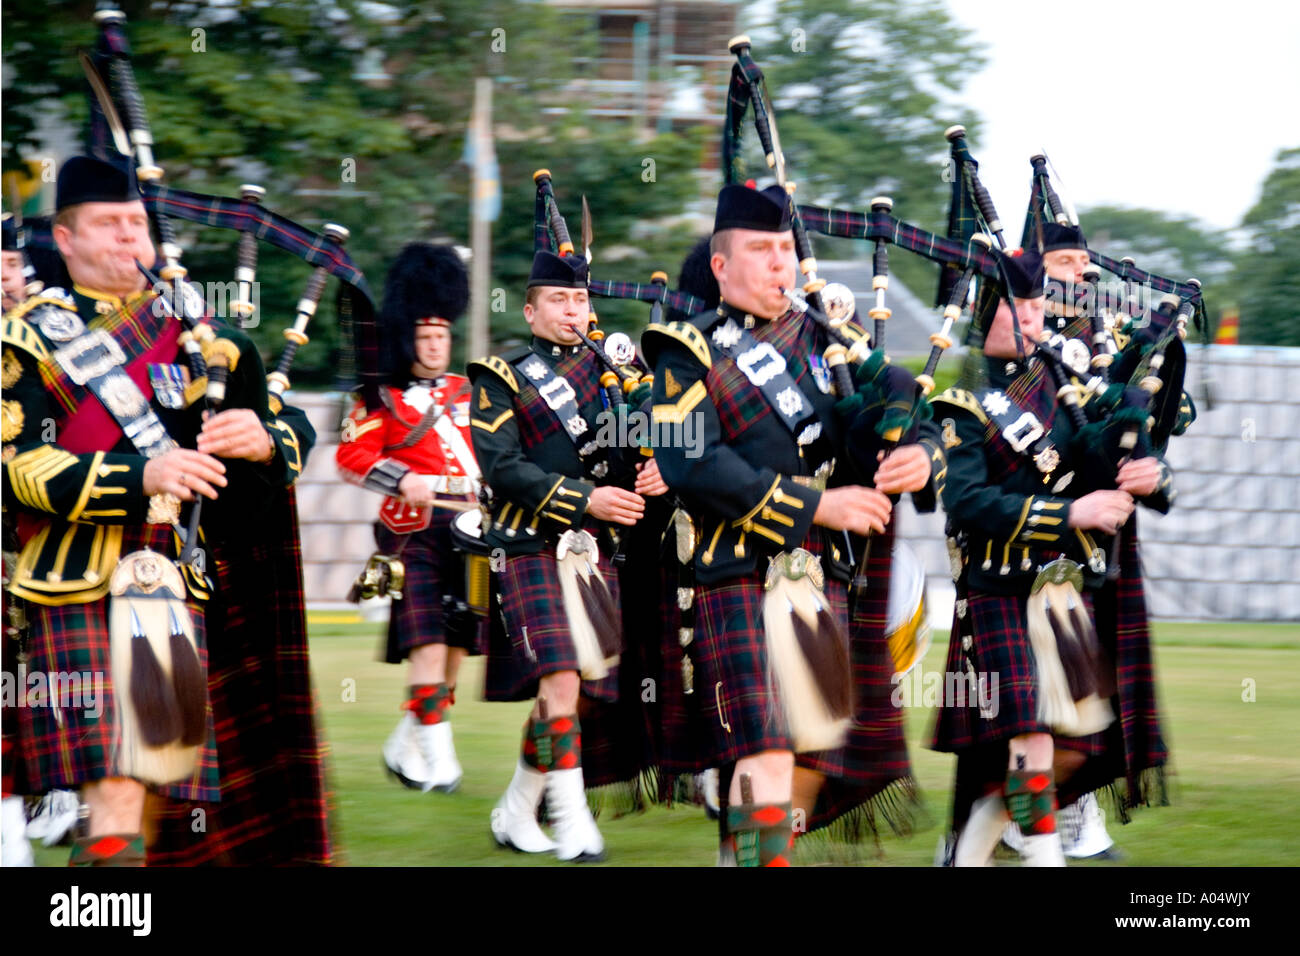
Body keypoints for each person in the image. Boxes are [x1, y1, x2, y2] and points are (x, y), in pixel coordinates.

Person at [1, 155, 304, 865]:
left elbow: (287, 428)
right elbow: (16, 466)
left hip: (169, 579)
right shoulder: (26, 338)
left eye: (136, 223)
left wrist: (264, 442)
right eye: (107, 225)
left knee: (141, 780)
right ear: (66, 240)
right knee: (111, 772)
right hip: (71, 576)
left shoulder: (200, 336)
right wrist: (145, 473)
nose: (128, 239)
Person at [642, 184, 938, 866]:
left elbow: (907, 406)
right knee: (767, 745)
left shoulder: (832, 341)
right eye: (760, 250)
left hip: (821, 577)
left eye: (785, 249)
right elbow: (690, 463)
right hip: (734, 574)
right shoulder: (683, 350)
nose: (780, 265)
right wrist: (817, 507)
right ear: (721, 266)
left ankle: (740, 855)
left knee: (810, 753)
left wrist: (919, 453)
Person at [929, 248, 1173, 866]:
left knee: (1079, 746)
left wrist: (1148, 472)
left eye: (1040, 306)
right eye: (1023, 307)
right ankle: (1045, 860)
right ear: (989, 314)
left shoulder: (1063, 386)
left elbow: (1105, 449)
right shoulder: (962, 402)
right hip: (996, 591)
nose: (1035, 319)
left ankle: (972, 847)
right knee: (1032, 743)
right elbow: (966, 502)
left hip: (1063, 596)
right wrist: (1070, 514)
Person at [468, 249, 665, 862]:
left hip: (593, 554)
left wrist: (662, 468)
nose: (572, 310)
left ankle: (517, 808)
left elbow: (642, 450)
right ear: (530, 311)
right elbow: (501, 467)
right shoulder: (501, 376)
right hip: (526, 545)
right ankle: (573, 819)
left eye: (580, 299)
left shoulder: (615, 379)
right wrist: (586, 500)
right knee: (557, 677)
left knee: (572, 691)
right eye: (558, 299)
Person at [336, 242, 479, 794]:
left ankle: (404, 744)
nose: (436, 345)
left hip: (470, 528)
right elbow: (350, 459)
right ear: (407, 340)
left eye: (442, 336)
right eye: (425, 337)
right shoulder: (379, 399)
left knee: (459, 646)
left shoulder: (470, 390)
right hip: (413, 530)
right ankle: (442, 761)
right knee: (429, 642)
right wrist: (400, 477)